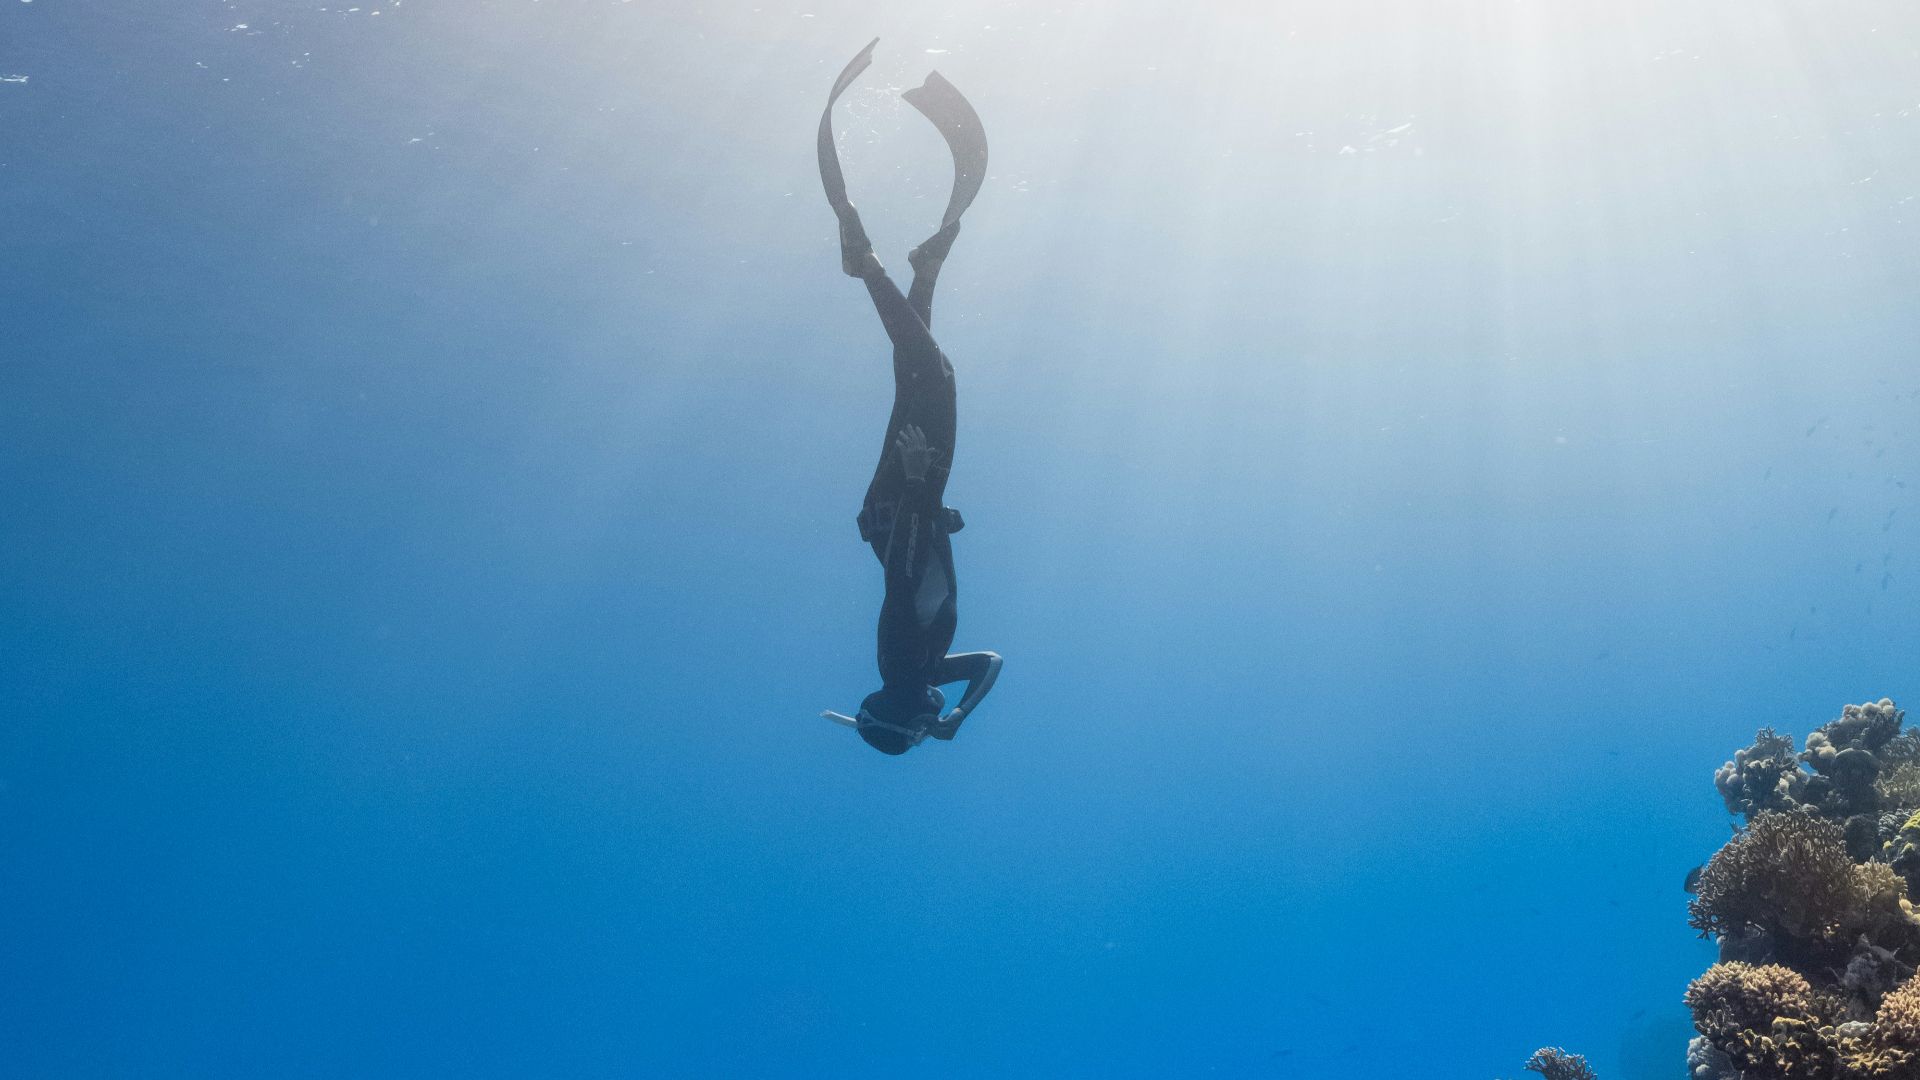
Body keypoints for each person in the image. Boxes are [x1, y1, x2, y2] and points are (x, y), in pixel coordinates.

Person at [816, 39, 1002, 755]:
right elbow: (989, 663)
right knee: (922, 372)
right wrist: (962, 714)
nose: (933, 716)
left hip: (903, 504)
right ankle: (922, 274)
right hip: (900, 509)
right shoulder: (928, 669)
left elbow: (901, 582)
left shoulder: (901, 659)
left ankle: (864, 264)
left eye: (924, 722)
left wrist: (921, 493)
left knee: (933, 375)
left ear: (904, 710)